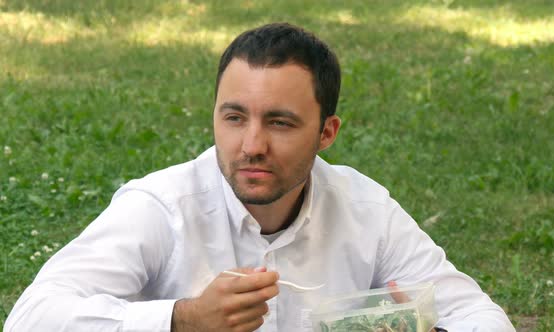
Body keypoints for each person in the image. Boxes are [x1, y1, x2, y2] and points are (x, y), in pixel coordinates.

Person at [5, 23, 515, 332]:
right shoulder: (161, 207)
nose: (251, 145)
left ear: (326, 132)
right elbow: (31, 318)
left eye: (280, 122)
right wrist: (182, 321)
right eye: (233, 117)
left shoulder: (366, 211)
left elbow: (483, 318)